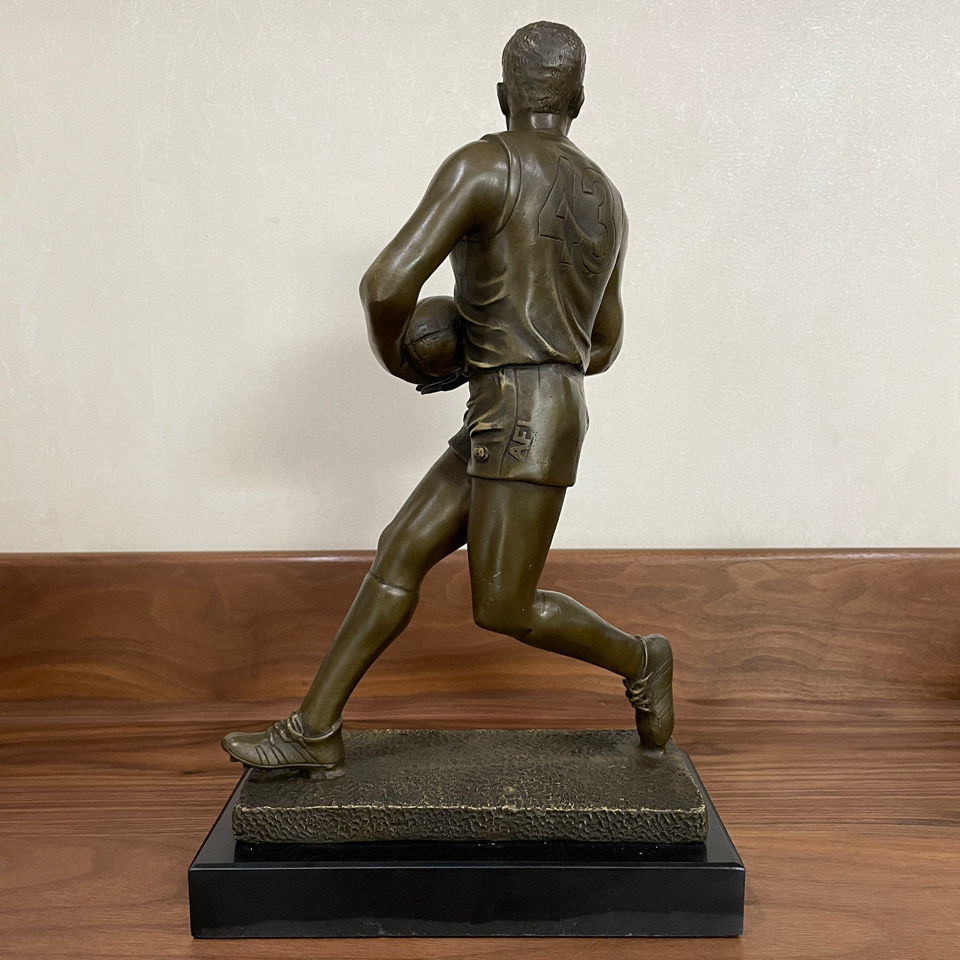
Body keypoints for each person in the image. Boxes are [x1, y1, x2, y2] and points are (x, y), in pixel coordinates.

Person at [222, 21, 674, 776]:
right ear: (579, 100)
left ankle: (643, 658)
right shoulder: (607, 198)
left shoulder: (483, 166)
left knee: (503, 606)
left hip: (520, 415)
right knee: (400, 548)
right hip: (536, 405)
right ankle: (314, 728)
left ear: (502, 95)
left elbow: (385, 285)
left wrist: (406, 360)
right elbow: (603, 347)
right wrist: (506, 352)